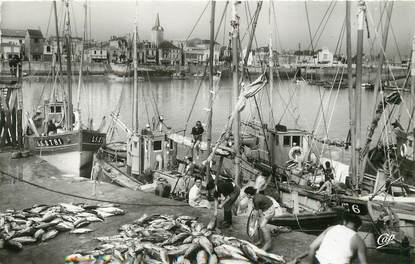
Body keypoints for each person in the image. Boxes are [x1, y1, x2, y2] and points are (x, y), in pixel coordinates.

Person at [291, 212, 367, 264]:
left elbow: (312, 247)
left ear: (344, 222)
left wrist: (308, 262)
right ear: (359, 227)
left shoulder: (331, 228)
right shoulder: (360, 241)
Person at [244, 186, 275, 251]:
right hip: (265, 208)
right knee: (258, 225)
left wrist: (252, 223)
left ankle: (268, 244)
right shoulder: (255, 196)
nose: (245, 195)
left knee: (262, 226)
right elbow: (256, 210)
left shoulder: (256, 199)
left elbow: (256, 213)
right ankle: (261, 240)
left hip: (269, 210)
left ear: (249, 194)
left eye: (246, 194)